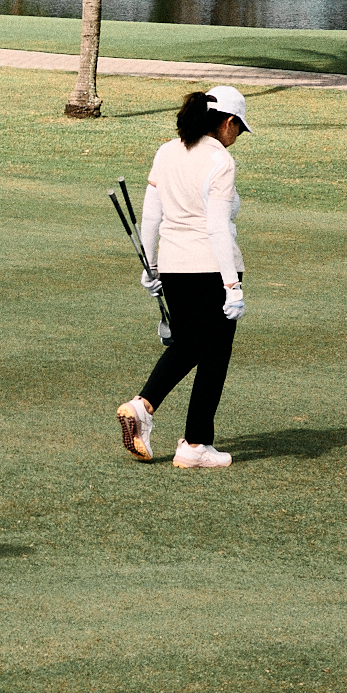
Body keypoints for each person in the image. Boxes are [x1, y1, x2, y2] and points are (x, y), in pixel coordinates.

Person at [117, 84, 253, 470]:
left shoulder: (167, 151)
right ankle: (194, 444)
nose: (238, 136)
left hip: (174, 268)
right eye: (238, 128)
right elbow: (216, 229)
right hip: (211, 268)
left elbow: (152, 217)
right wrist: (232, 285)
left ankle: (143, 408)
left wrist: (150, 266)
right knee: (214, 354)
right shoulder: (220, 161)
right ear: (227, 123)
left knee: (190, 345)